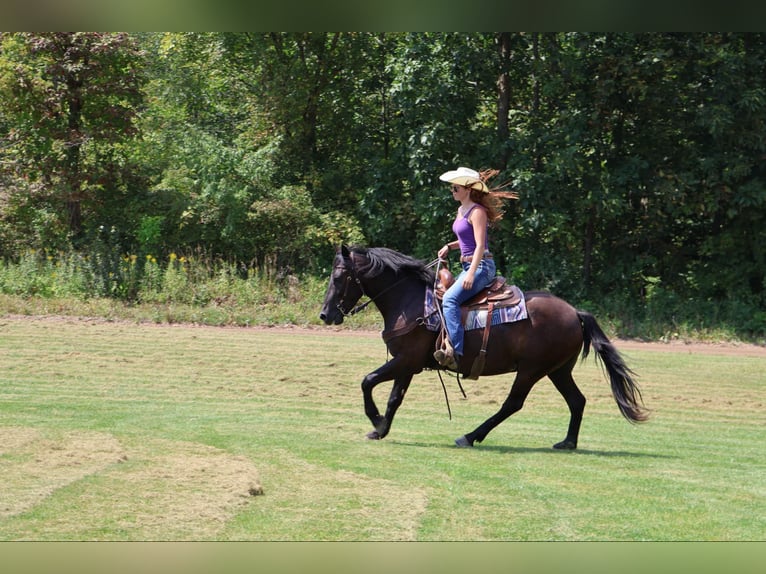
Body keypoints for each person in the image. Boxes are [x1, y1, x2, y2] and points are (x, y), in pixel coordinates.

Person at [434, 166, 518, 370]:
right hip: (467, 263)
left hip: (481, 266)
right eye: (452, 187)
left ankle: (455, 352)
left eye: (456, 187)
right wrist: (449, 246)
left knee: (450, 299)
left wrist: (471, 272)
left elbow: (480, 245)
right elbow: (465, 239)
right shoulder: (461, 209)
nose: (452, 190)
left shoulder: (477, 212)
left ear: (468, 189)